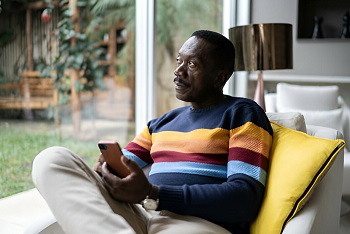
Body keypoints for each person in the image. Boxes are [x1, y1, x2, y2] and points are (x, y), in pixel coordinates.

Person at [32, 30, 273, 234]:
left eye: (191, 64)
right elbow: (123, 166)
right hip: (143, 215)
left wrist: (153, 193)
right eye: (179, 61)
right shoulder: (161, 123)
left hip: (198, 223)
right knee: (52, 160)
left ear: (219, 77)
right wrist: (106, 171)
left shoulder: (242, 113)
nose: (178, 71)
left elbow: (244, 199)